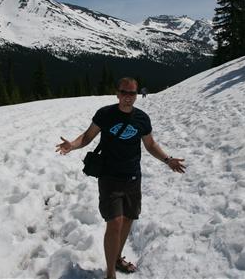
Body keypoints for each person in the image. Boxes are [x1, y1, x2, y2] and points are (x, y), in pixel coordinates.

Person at [56, 77, 186, 279]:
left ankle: (116, 259)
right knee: (114, 223)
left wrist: (168, 159)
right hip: (109, 177)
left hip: (133, 177)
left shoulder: (142, 118)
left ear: (136, 95)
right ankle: (110, 273)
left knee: (127, 220)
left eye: (131, 93)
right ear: (117, 93)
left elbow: (150, 145)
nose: (127, 97)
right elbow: (88, 136)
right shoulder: (105, 114)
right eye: (124, 92)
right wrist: (72, 145)